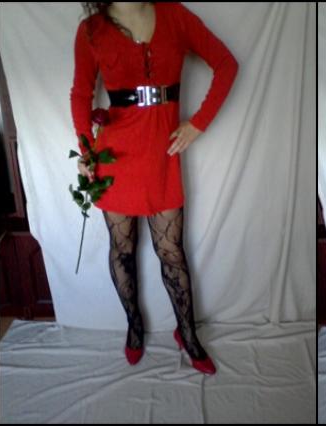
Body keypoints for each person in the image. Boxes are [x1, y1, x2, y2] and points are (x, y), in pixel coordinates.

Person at [70, 2, 239, 374]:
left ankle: (187, 333)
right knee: (123, 249)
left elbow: (227, 64)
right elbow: (81, 94)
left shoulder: (175, 15)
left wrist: (198, 123)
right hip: (114, 157)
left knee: (171, 251)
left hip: (162, 155)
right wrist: (87, 151)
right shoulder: (92, 30)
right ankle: (134, 326)